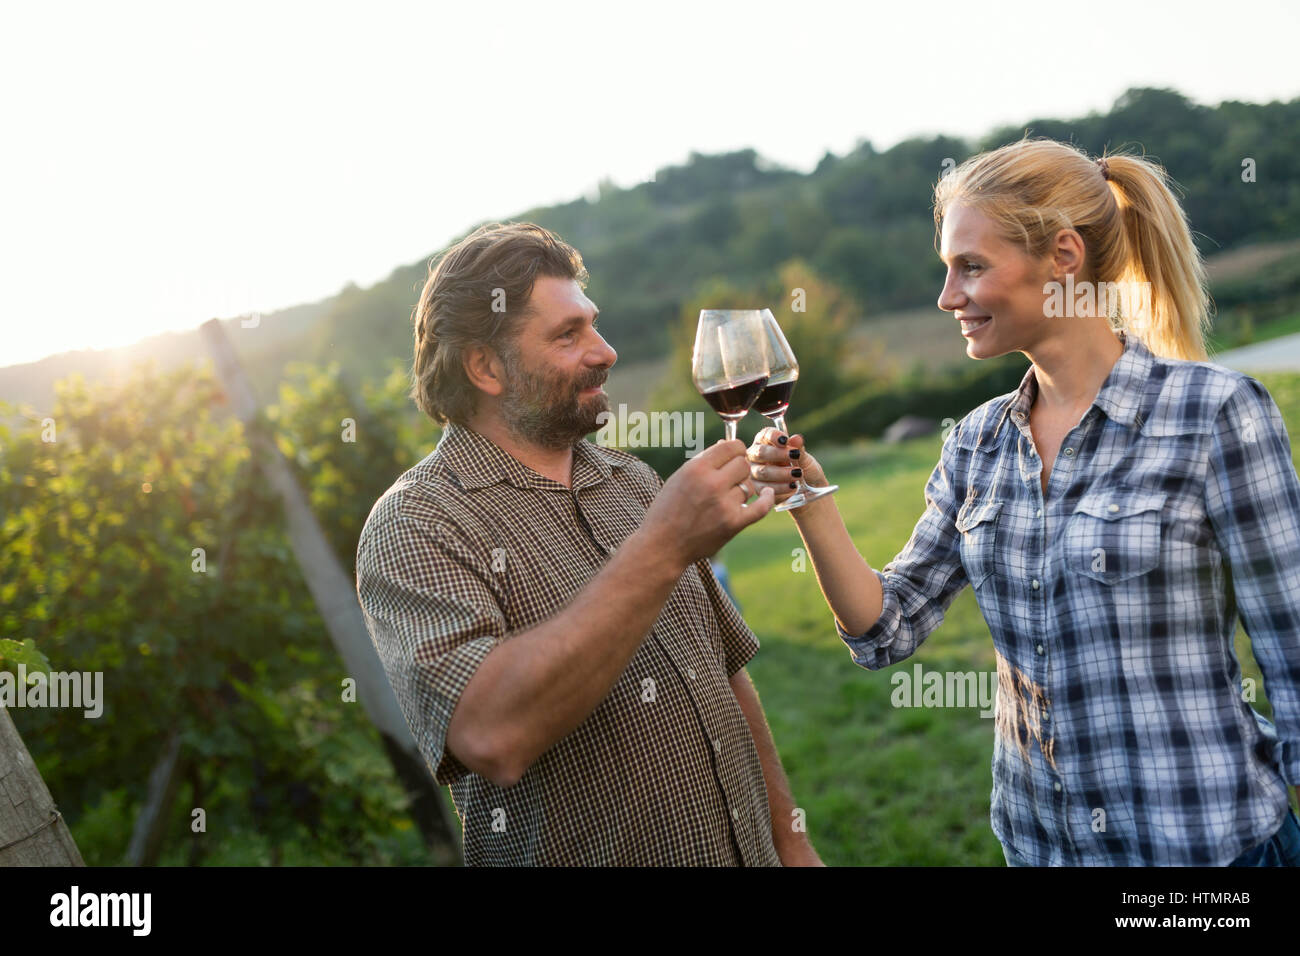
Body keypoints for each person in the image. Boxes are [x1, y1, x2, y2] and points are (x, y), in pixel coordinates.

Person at [747, 138, 1300, 866]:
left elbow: (1291, 655)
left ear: (1063, 257)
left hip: (1204, 853)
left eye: (970, 267)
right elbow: (885, 631)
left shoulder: (1217, 414)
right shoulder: (975, 444)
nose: (947, 297)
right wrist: (810, 500)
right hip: (1043, 849)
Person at [356, 221, 821, 866]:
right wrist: (662, 547)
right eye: (567, 335)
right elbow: (493, 735)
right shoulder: (417, 524)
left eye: (593, 324)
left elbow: (727, 675)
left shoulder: (632, 481)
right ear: (485, 367)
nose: (605, 351)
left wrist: (791, 843)